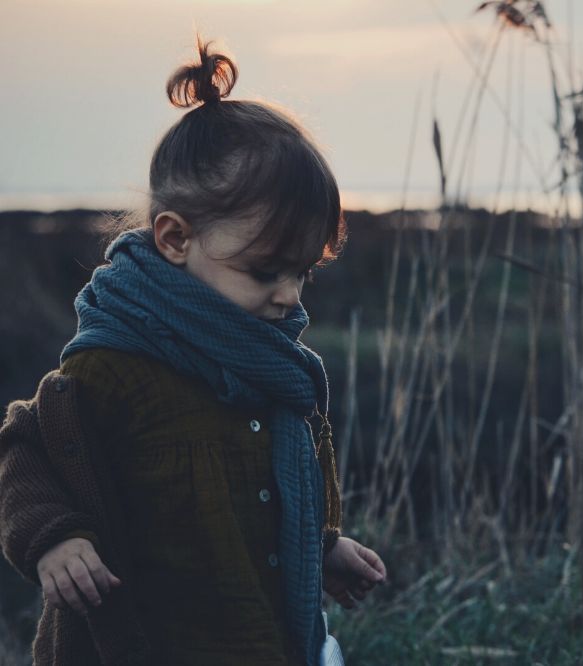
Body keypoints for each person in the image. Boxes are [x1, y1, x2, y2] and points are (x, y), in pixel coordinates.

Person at [0, 35, 385, 665]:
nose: (290, 296)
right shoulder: (118, 363)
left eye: (302, 272)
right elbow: (23, 446)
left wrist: (320, 546)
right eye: (265, 272)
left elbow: (264, 489)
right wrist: (54, 540)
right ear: (176, 238)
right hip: (142, 643)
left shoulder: (266, 366)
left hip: (256, 641)